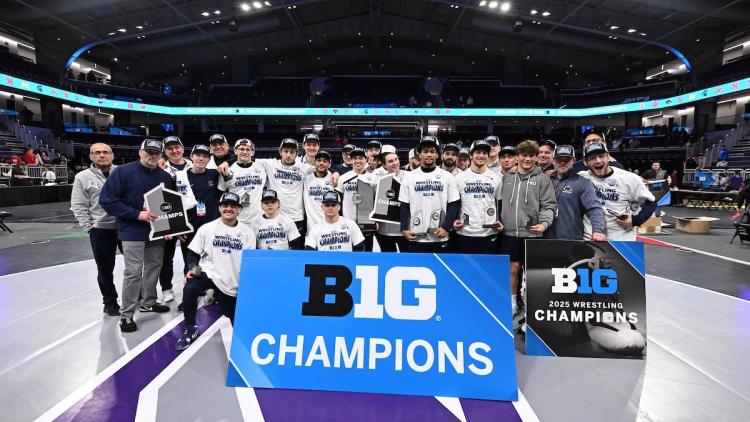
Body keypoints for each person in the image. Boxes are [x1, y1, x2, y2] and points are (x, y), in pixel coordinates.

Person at [99, 139, 174, 333]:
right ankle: (127, 315)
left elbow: (168, 205)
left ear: (161, 155)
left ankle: (148, 301)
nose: (152, 156)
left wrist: (168, 228)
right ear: (140, 153)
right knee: (133, 272)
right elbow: (107, 199)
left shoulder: (165, 176)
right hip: (132, 230)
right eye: (148, 152)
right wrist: (136, 214)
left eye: (156, 153)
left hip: (156, 231)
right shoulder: (123, 172)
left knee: (154, 266)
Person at [176, 192, 257, 351]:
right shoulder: (207, 228)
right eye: (225, 206)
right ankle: (190, 328)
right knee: (190, 288)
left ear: (239, 210)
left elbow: (250, 263)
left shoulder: (247, 233)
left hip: (231, 279)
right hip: (209, 272)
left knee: (232, 315)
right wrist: (192, 269)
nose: (228, 209)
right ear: (220, 208)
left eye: (233, 206)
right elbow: (193, 253)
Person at [498, 140, 556, 321]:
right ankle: (512, 303)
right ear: (518, 157)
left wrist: (545, 224)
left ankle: (533, 306)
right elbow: (497, 203)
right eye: (523, 155)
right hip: (509, 233)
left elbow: (549, 206)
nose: (527, 159)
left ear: (536, 157)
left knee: (531, 273)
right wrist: (498, 221)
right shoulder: (507, 178)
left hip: (533, 232)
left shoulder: (542, 179)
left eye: (531, 155)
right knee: (512, 269)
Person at [70, 143, 120, 316]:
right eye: (97, 152)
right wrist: (90, 227)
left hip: (125, 226)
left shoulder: (122, 172)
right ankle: (110, 302)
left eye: (105, 152)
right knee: (105, 268)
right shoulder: (82, 177)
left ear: (112, 155)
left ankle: (138, 296)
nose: (101, 155)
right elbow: (78, 204)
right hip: (100, 229)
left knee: (134, 266)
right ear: (91, 156)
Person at [578, 143, 656, 241]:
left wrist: (636, 220)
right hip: (591, 238)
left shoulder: (629, 179)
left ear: (608, 157)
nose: (598, 161)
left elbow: (651, 202)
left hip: (621, 239)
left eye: (601, 156)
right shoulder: (581, 177)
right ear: (585, 162)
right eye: (592, 158)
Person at [399, 136, 460, 253]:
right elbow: (404, 205)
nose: (429, 155)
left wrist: (446, 227)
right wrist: (404, 228)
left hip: (439, 235)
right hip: (416, 235)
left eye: (432, 151)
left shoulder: (447, 176)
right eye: (425, 151)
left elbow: (454, 204)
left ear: (438, 155)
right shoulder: (409, 177)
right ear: (419, 154)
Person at [452, 140, 504, 253]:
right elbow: (455, 204)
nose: (481, 156)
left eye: (484, 153)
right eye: (478, 152)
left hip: (489, 232)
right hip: (464, 232)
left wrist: (500, 221)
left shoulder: (497, 178)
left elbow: (499, 203)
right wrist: (454, 221)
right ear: (471, 155)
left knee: (487, 269)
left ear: (488, 155)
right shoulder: (459, 178)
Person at [545, 145, 606, 240]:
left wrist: (598, 230)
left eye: (567, 159)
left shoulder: (583, 183)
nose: (562, 162)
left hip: (570, 239)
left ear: (574, 160)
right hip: (543, 238)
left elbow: (594, 208)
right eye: (559, 159)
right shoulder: (544, 180)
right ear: (553, 161)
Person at [159, 136, 192, 303]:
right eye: (170, 148)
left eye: (177, 147)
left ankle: (192, 283)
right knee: (166, 256)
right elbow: (159, 197)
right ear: (165, 151)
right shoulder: (161, 169)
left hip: (191, 216)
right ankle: (166, 288)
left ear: (182, 148)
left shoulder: (193, 165)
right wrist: (173, 225)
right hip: (170, 216)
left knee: (191, 254)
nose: (174, 151)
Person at [336, 147, 377, 251]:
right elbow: (338, 201)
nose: (358, 161)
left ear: (366, 160)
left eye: (361, 158)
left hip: (367, 223)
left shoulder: (373, 178)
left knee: (367, 253)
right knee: (350, 254)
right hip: (348, 224)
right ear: (351, 160)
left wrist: (377, 219)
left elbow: (377, 201)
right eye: (355, 158)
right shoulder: (343, 178)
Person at [373, 145, 409, 253]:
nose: (394, 163)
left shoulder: (410, 177)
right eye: (390, 161)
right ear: (384, 165)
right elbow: (379, 205)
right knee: (388, 259)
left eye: (396, 159)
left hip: (405, 230)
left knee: (407, 261)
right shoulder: (381, 181)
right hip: (385, 231)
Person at [223, 138, 266, 225]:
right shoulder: (227, 170)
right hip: (237, 218)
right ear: (235, 151)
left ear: (253, 152)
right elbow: (220, 191)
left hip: (259, 218)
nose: (245, 152)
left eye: (248, 149)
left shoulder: (261, 168)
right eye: (241, 149)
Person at [303, 151, 335, 235]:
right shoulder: (306, 178)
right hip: (311, 228)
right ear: (314, 162)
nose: (321, 163)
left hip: (330, 226)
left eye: (325, 161)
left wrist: (336, 172)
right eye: (319, 160)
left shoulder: (334, 179)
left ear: (329, 164)